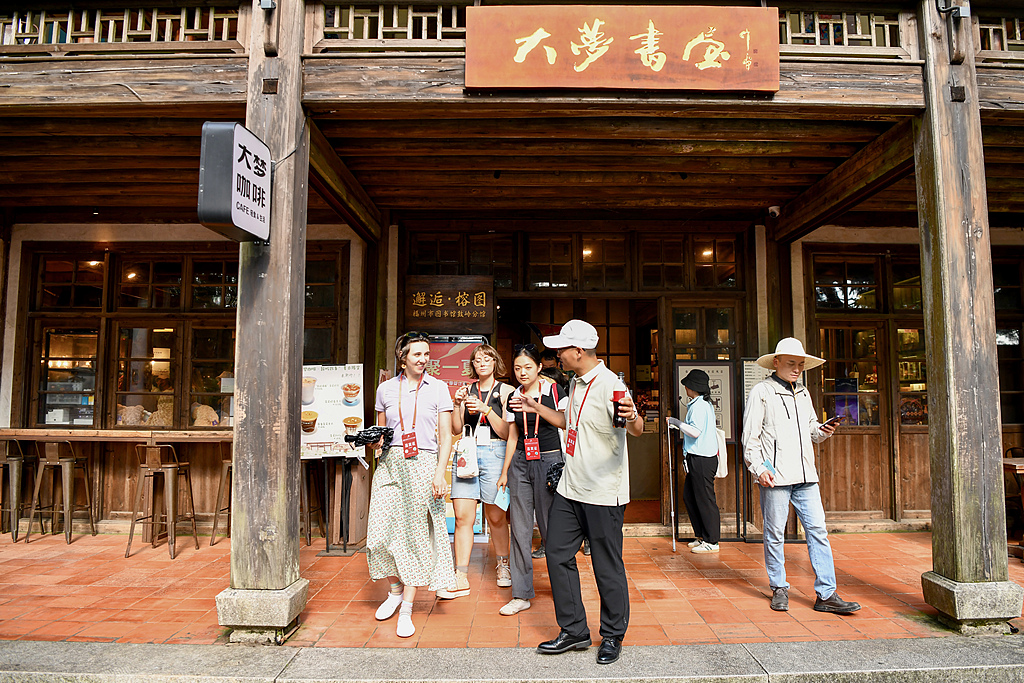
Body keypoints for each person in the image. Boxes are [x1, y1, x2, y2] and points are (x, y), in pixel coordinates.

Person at [537, 320, 643, 665]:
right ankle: (574, 631)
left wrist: (631, 416)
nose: (558, 355)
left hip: (602, 491)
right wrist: (537, 408)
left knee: (606, 564)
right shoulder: (577, 383)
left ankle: (612, 635)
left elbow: (637, 427)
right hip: (571, 487)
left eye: (562, 350)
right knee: (556, 553)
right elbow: (571, 422)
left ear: (578, 351)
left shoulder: (612, 385)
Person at [742, 337, 861, 615]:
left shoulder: (804, 393)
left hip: (807, 476)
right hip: (775, 476)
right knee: (774, 533)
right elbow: (751, 437)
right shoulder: (761, 391)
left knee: (818, 531)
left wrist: (823, 430)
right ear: (776, 362)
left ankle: (827, 594)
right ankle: (779, 587)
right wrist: (758, 469)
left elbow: (811, 432)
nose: (797, 369)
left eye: (800, 365)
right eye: (791, 363)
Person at [366, 332, 457, 638]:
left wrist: (439, 474)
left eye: (426, 354)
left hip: (425, 465)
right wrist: (372, 441)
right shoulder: (385, 389)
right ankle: (394, 590)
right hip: (391, 464)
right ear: (402, 357)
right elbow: (382, 433)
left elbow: (446, 435)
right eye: (416, 354)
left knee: (416, 537)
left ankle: (406, 608)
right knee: (379, 535)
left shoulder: (439, 388)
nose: (423, 359)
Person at [495, 344, 567, 616]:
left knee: (552, 529)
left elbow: (563, 422)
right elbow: (513, 434)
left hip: (549, 459)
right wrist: (504, 472)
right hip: (520, 462)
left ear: (539, 367)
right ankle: (521, 593)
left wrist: (534, 406)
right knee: (521, 529)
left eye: (527, 367)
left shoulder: (553, 390)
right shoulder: (513, 394)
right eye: (517, 368)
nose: (522, 373)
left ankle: (562, 587)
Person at [443, 344, 514, 598]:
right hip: (467, 451)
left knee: (496, 517)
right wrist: (457, 404)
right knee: (463, 517)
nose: (481, 364)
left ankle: (503, 565)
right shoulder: (465, 390)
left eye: (486, 359)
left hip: (495, 452)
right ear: (472, 365)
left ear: (495, 362)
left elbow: (507, 432)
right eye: (476, 360)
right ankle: (460, 573)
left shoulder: (506, 391)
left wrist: (486, 409)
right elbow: (455, 429)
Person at [678, 369, 721, 554]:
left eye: (687, 384)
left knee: (705, 499)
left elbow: (695, 432)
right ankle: (702, 535)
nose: (685, 387)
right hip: (699, 457)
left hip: (702, 458)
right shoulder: (700, 403)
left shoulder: (700, 406)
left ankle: (712, 541)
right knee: (690, 496)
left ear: (693, 387)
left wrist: (676, 423)